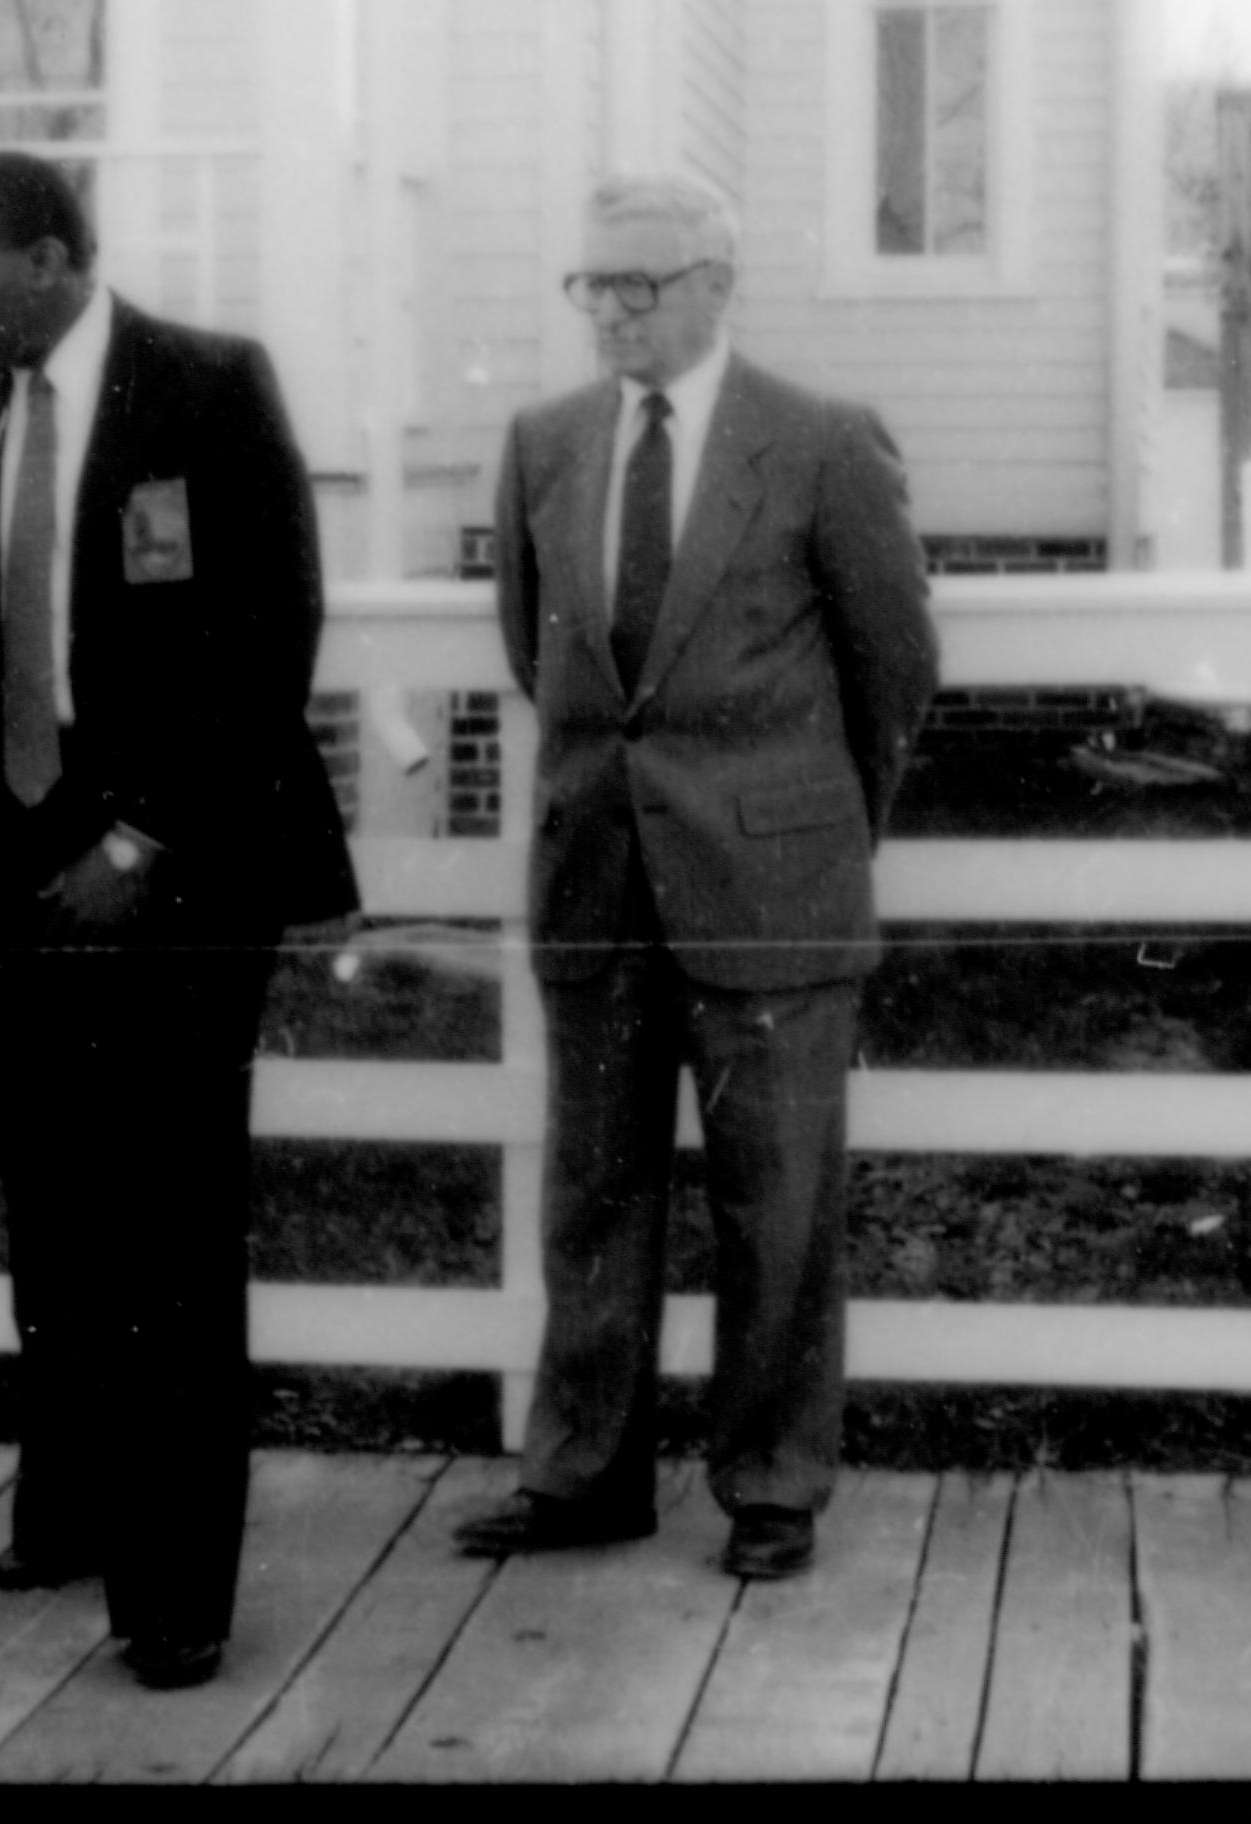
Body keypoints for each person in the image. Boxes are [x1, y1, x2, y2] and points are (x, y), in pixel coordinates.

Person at [0, 149, 359, 1692]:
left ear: (49, 261)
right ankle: (69, 1507)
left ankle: (176, 1591)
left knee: (173, 1233)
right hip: (10, 864)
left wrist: (141, 835)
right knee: (53, 1212)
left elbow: (271, 641)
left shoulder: (206, 385)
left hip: (177, 869)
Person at [455, 171, 938, 1582]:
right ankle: (584, 1475)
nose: (608, 311)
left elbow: (894, 673)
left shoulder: (821, 443)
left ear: (718, 281)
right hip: (600, 879)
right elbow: (536, 650)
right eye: (589, 285)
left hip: (773, 892)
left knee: (774, 1200)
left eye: (638, 285)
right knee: (592, 1194)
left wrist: (811, 836)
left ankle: (773, 1484)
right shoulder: (544, 443)